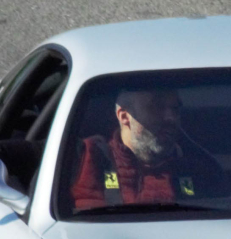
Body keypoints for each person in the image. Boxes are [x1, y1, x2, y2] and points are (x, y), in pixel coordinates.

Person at [65, 84, 222, 211]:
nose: (171, 118)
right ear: (124, 116)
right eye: (157, 107)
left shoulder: (201, 170)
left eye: (175, 109)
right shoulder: (83, 157)